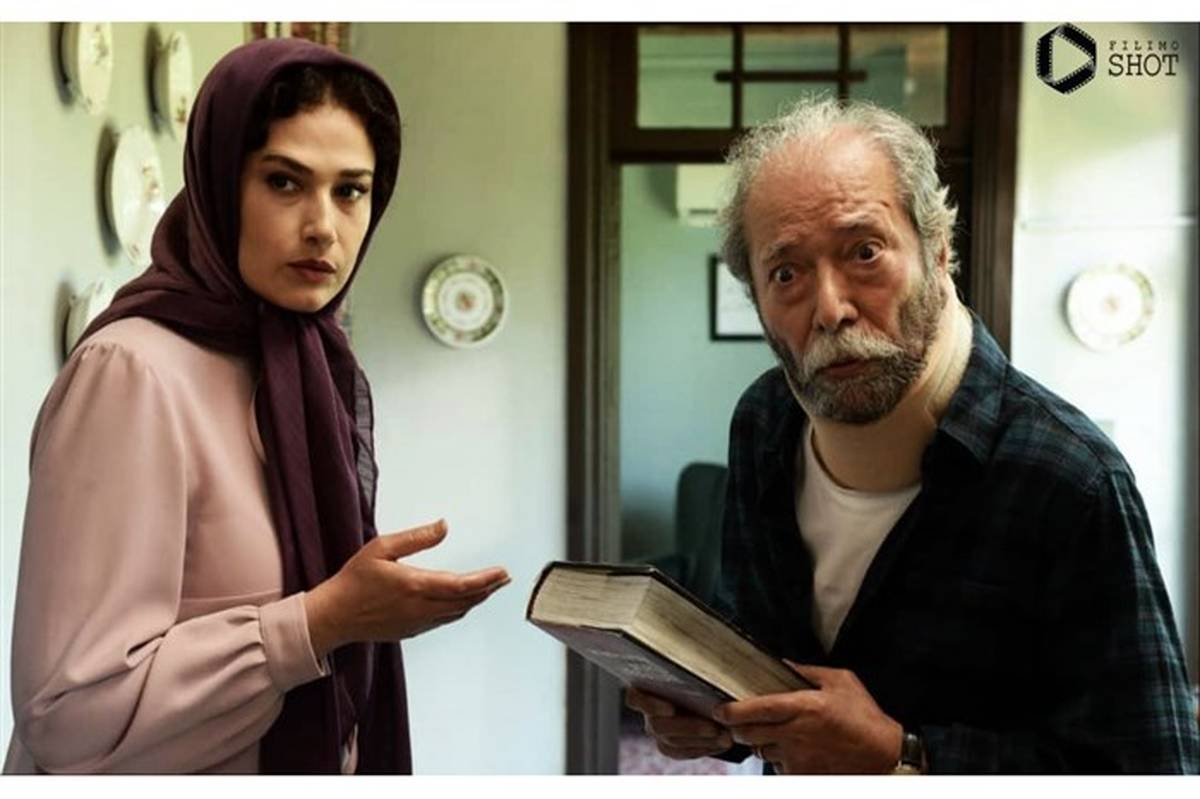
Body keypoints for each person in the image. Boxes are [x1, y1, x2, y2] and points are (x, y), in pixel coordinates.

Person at [625, 97, 1200, 774]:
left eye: (864, 252)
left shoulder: (1070, 479)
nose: (831, 309)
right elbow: (763, 649)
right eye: (786, 273)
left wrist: (903, 755)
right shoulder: (764, 421)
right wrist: (715, 715)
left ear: (938, 249)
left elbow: (1156, 769)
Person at [4, 38, 510, 774]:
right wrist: (322, 622)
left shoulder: (306, 363)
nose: (323, 226)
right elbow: (68, 715)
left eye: (351, 191)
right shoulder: (132, 372)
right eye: (284, 181)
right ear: (219, 184)